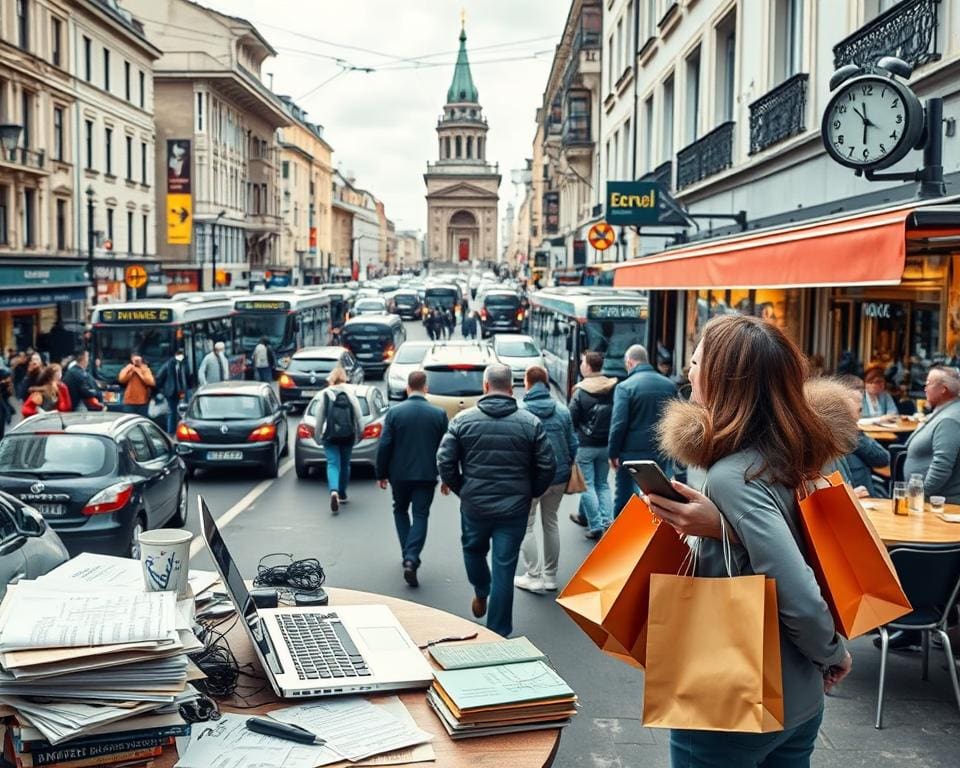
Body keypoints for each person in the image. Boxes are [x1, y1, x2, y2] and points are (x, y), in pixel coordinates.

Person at [647, 314, 854, 767]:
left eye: (697, 361)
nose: (689, 371)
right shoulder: (798, 456)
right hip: (797, 699)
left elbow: (795, 589)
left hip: (732, 702)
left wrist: (833, 653)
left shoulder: (732, 475)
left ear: (722, 380)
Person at [437, 363, 556, 637]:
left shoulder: (463, 421)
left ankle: (481, 589)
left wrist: (462, 489)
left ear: (485, 386)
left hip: (475, 505)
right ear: (511, 388)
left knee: (473, 550)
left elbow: (444, 460)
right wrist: (531, 491)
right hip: (514, 508)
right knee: (505, 565)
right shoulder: (530, 423)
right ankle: (498, 632)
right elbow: (547, 465)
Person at [375, 370, 448, 587]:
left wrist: (382, 473)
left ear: (408, 388)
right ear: (426, 388)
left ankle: (408, 554)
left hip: (399, 475)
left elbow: (385, 445)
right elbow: (446, 449)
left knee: (400, 510)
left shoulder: (395, 413)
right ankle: (411, 558)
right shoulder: (438, 414)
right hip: (427, 474)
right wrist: (446, 476)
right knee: (421, 514)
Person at [515, 365, 578, 593]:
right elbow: (573, 445)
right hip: (558, 477)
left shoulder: (521, 411)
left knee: (527, 525)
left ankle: (533, 575)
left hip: (530, 480)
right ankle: (550, 577)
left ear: (527, 383)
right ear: (546, 382)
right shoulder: (562, 410)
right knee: (550, 523)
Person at [607, 344, 678, 517]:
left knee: (625, 499)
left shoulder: (624, 387)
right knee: (659, 500)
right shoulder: (669, 385)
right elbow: (675, 420)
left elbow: (619, 424)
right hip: (662, 451)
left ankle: (621, 537)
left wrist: (613, 453)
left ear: (630, 362)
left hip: (631, 455)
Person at [568, 351, 617, 538]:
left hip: (585, 445)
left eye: (582, 362)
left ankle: (595, 525)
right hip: (606, 445)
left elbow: (571, 420)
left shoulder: (580, 391)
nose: (580, 365)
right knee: (603, 484)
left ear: (588, 367)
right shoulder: (613, 387)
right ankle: (608, 522)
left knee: (587, 486)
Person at [903, 365, 960, 504]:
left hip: (939, 505)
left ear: (943, 389)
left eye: (928, 383)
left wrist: (918, 495)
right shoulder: (945, 411)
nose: (925, 388)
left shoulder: (949, 420)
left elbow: (941, 466)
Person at [313, 366, 363, 514]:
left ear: (331, 379)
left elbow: (319, 418)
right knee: (345, 464)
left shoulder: (326, 394)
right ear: (345, 378)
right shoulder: (350, 393)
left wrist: (318, 437)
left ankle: (333, 491)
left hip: (330, 435)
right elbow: (359, 418)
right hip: (348, 435)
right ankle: (342, 493)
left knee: (333, 464)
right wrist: (359, 436)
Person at [834, 375, 890, 497]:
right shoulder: (849, 435)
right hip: (860, 503)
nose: (859, 416)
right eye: (859, 410)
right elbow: (882, 458)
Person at [155, 349, 191, 433]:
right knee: (172, 412)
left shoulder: (185, 364)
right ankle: (171, 432)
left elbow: (188, 377)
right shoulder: (168, 365)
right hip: (172, 392)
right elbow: (159, 378)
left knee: (183, 412)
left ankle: (181, 430)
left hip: (183, 392)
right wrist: (163, 391)